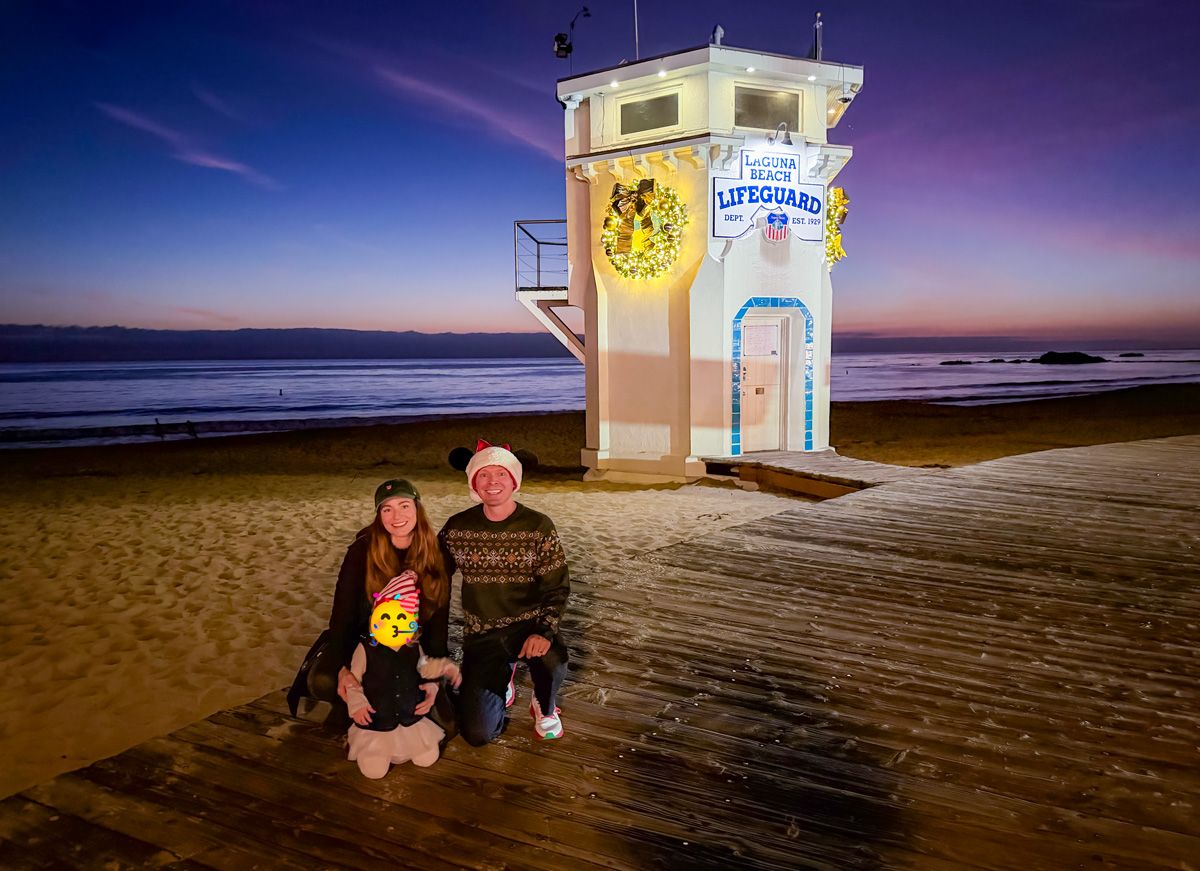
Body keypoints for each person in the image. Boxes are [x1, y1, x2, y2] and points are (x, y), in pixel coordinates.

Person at [299, 479, 460, 733]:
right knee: (324, 682)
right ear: (379, 515)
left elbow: (439, 620)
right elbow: (342, 616)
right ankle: (361, 704)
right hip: (365, 644)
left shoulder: (437, 553)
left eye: (404, 506)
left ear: (417, 509)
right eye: (387, 509)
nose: (397, 516)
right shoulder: (362, 550)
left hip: (410, 645)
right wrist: (343, 667)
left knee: (445, 723)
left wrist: (435, 679)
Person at [439, 441, 570, 744]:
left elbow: (557, 587)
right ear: (473, 482)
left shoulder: (538, 525)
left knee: (552, 660)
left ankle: (544, 704)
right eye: (484, 475)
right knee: (478, 733)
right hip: (483, 634)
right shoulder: (458, 527)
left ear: (514, 480)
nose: (492, 482)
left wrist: (543, 631)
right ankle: (502, 678)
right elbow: (434, 572)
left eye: (501, 474)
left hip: (530, 627)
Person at [344, 572, 442, 777]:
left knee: (428, 757)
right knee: (374, 770)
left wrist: (432, 687)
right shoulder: (365, 649)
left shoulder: (414, 646)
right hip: (378, 719)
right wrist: (357, 703)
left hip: (409, 716)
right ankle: (372, 751)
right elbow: (353, 680)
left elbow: (427, 670)